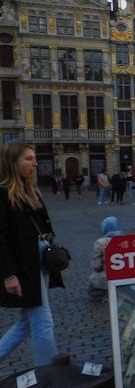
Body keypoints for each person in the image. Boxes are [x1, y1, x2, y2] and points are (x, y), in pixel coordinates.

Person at [0, 142, 61, 366]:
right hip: (24, 267)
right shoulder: (3, 193)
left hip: (39, 262)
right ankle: (50, 376)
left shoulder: (30, 190)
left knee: (27, 323)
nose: (35, 163)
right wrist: (8, 274)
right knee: (43, 323)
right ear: (13, 162)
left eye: (34, 158)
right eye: (28, 159)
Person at [88, 216, 122, 299]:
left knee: (92, 287)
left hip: (106, 279)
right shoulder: (123, 240)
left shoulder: (100, 242)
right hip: (121, 278)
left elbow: (97, 266)